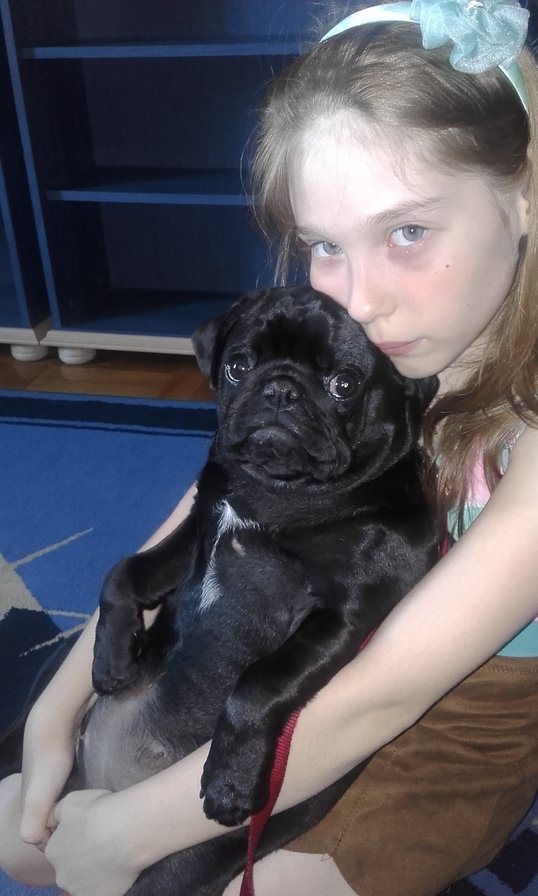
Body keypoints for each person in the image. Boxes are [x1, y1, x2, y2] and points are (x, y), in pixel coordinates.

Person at [1, 1, 538, 894]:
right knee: (23, 821)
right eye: (324, 244)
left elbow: (381, 695)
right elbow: (218, 500)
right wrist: (60, 708)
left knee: (119, 863)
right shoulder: (378, 348)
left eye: (407, 231)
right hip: (274, 670)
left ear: (524, 194)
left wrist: (129, 831)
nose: (359, 300)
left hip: (422, 749)